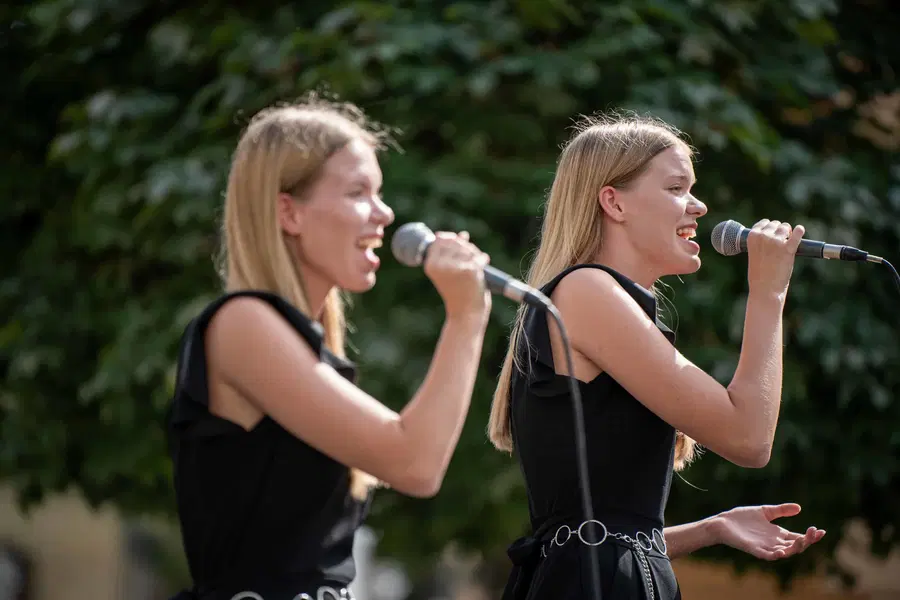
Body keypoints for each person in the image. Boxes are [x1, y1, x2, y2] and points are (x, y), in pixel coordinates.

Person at [487, 115, 826, 600]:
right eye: (676, 187)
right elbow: (749, 439)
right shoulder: (587, 290)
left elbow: (595, 536)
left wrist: (712, 528)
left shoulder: (597, 299)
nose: (699, 205)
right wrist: (768, 293)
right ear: (614, 202)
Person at [166, 97, 492, 600]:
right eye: (358, 192)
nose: (383, 214)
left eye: (379, 193)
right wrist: (465, 316)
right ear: (288, 212)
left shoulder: (302, 343)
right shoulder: (242, 324)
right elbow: (414, 463)